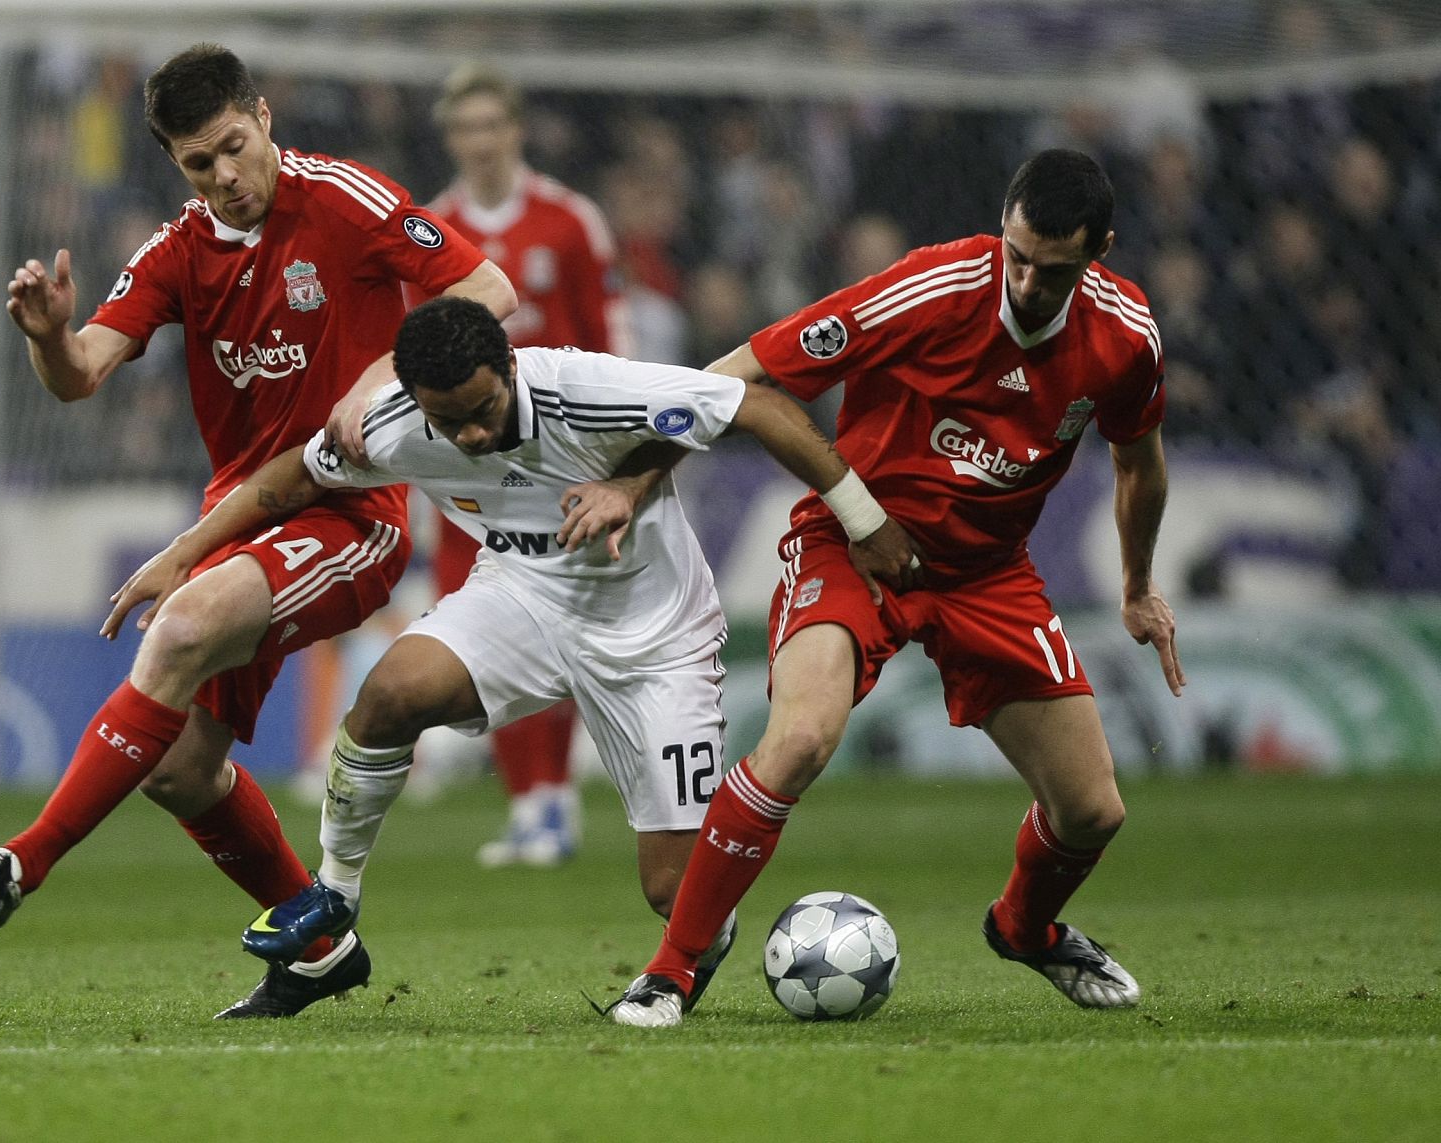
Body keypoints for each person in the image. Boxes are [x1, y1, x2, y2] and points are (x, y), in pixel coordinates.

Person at [104, 296, 917, 1015]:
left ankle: (704, 932)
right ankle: (336, 894)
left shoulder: (586, 387)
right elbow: (294, 479)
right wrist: (188, 550)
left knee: (674, 891)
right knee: (388, 696)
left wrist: (863, 518)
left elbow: (756, 407)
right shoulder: (397, 424)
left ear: (510, 366)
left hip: (654, 638)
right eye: (447, 420)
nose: (470, 433)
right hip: (523, 601)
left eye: (483, 409)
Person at [0, 43, 516, 1020]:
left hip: (350, 511)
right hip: (243, 517)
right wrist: (46, 337)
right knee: (178, 770)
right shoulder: (173, 255)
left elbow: (487, 292)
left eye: (236, 148)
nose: (227, 178)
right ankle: (319, 946)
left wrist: (384, 381)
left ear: (265, 116)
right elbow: (81, 376)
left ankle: (19, 865)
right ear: (176, 165)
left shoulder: (347, 199)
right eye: (200, 165)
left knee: (185, 625)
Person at [609, 148, 1186, 1027]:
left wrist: (1139, 585)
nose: (1027, 282)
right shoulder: (931, 290)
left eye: (1054, 268)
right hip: (856, 542)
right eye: (1017, 255)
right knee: (801, 736)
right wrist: (636, 475)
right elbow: (742, 371)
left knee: (1093, 809)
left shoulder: (1124, 337)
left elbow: (1140, 465)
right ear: (1005, 226)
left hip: (988, 572)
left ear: (1100, 249)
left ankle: (1024, 927)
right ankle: (670, 971)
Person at [420, 63, 633, 868]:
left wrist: (618, 441)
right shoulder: (432, 227)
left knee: (559, 621)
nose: (479, 141)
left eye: (490, 125)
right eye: (464, 128)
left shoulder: (569, 220)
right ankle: (528, 805)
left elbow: (610, 331)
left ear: (515, 130)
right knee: (483, 628)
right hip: (467, 466)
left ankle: (554, 802)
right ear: (452, 138)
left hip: (558, 455)